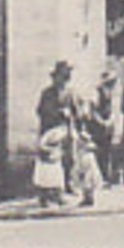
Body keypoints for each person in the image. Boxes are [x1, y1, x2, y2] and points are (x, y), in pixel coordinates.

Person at [37, 61, 77, 189]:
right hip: (51, 130)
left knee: (69, 158)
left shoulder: (70, 92)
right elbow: (41, 111)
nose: (64, 79)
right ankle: (51, 189)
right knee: (52, 160)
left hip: (66, 129)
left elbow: (76, 111)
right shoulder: (47, 93)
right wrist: (58, 113)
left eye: (67, 76)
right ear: (55, 77)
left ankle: (68, 183)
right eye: (62, 76)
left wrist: (74, 114)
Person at [32, 125, 68, 207]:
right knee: (45, 180)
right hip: (46, 160)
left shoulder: (63, 131)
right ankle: (44, 199)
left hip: (54, 159)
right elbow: (41, 146)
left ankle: (58, 198)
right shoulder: (50, 133)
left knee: (57, 179)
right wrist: (50, 150)